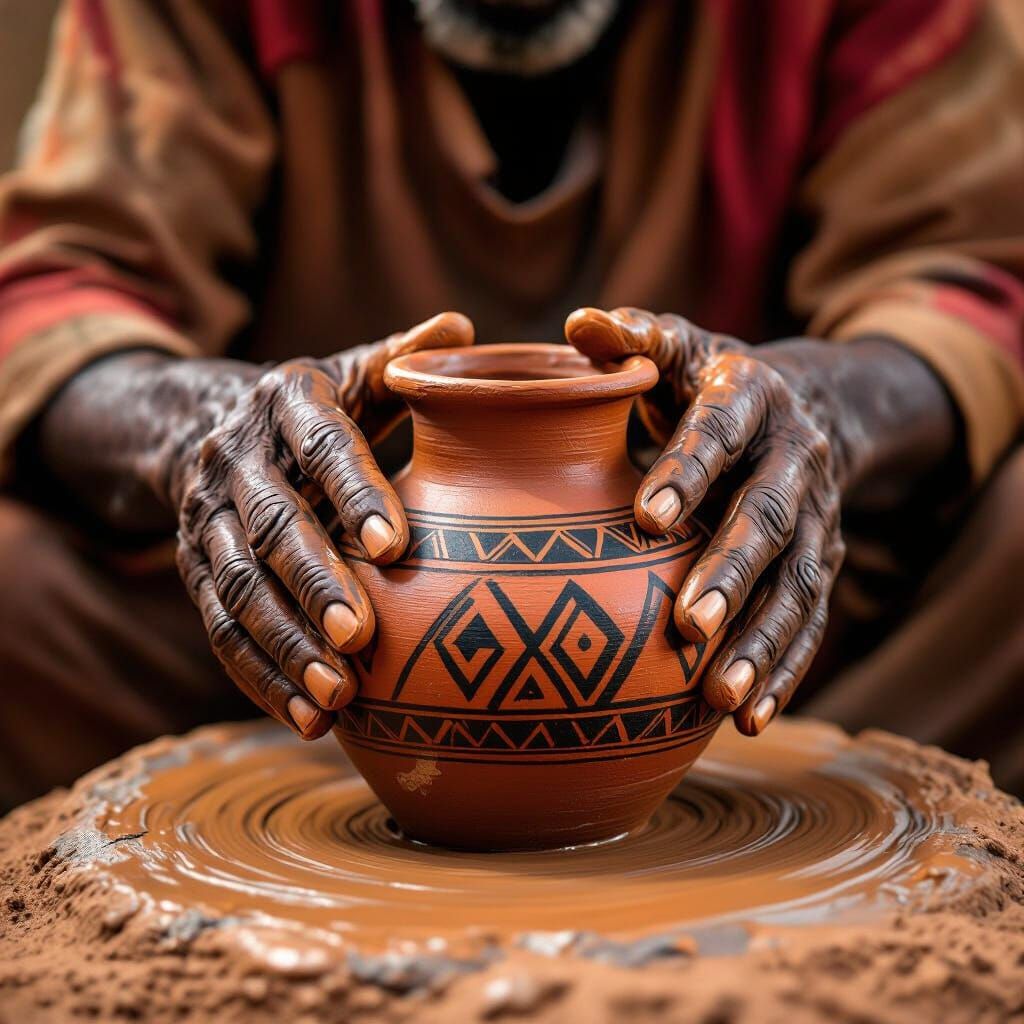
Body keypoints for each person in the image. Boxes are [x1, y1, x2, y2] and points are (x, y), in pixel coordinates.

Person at [0, 0, 1021, 809]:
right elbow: (63, 286)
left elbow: (971, 273)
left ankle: (798, 798)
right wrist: (197, 436)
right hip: (289, 648)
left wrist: (825, 412)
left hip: (759, 642)